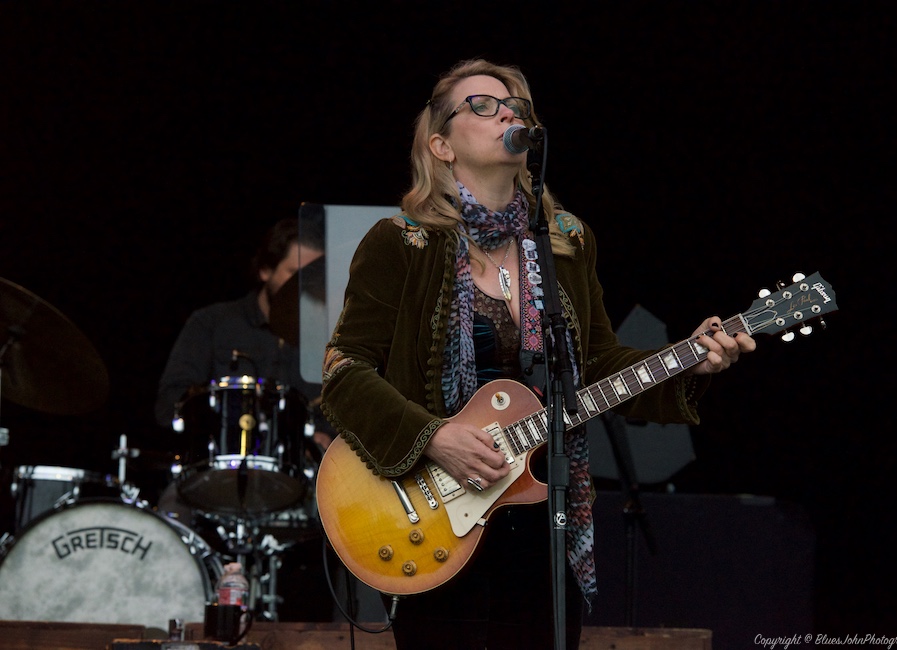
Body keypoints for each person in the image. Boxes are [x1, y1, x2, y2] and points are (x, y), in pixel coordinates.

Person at [317, 59, 757, 649]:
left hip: (542, 515)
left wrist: (688, 362)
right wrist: (433, 436)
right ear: (441, 144)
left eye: (516, 105)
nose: (507, 112)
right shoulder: (403, 242)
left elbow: (596, 367)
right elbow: (343, 370)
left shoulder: (566, 241)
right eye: (481, 104)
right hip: (435, 508)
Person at [154, 217, 334, 622]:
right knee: (171, 515)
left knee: (362, 526)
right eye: (295, 274)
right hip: (216, 473)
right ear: (266, 270)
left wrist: (326, 437)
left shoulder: (334, 337)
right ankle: (167, 621)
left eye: (315, 276)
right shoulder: (213, 323)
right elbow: (167, 404)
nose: (305, 285)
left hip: (305, 476)